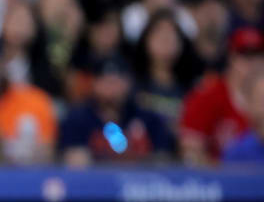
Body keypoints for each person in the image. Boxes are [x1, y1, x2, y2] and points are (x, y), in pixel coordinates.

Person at [58, 56, 175, 167]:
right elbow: (72, 160)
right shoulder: (77, 119)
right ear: (94, 84)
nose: (111, 89)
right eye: (105, 82)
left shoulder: (149, 119)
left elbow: (163, 160)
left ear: (128, 83)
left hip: (139, 185)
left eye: (116, 82)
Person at [179, 27, 264, 165]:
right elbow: (190, 150)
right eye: (245, 55)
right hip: (219, 178)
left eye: (257, 54)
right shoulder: (207, 95)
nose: (252, 62)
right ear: (231, 57)